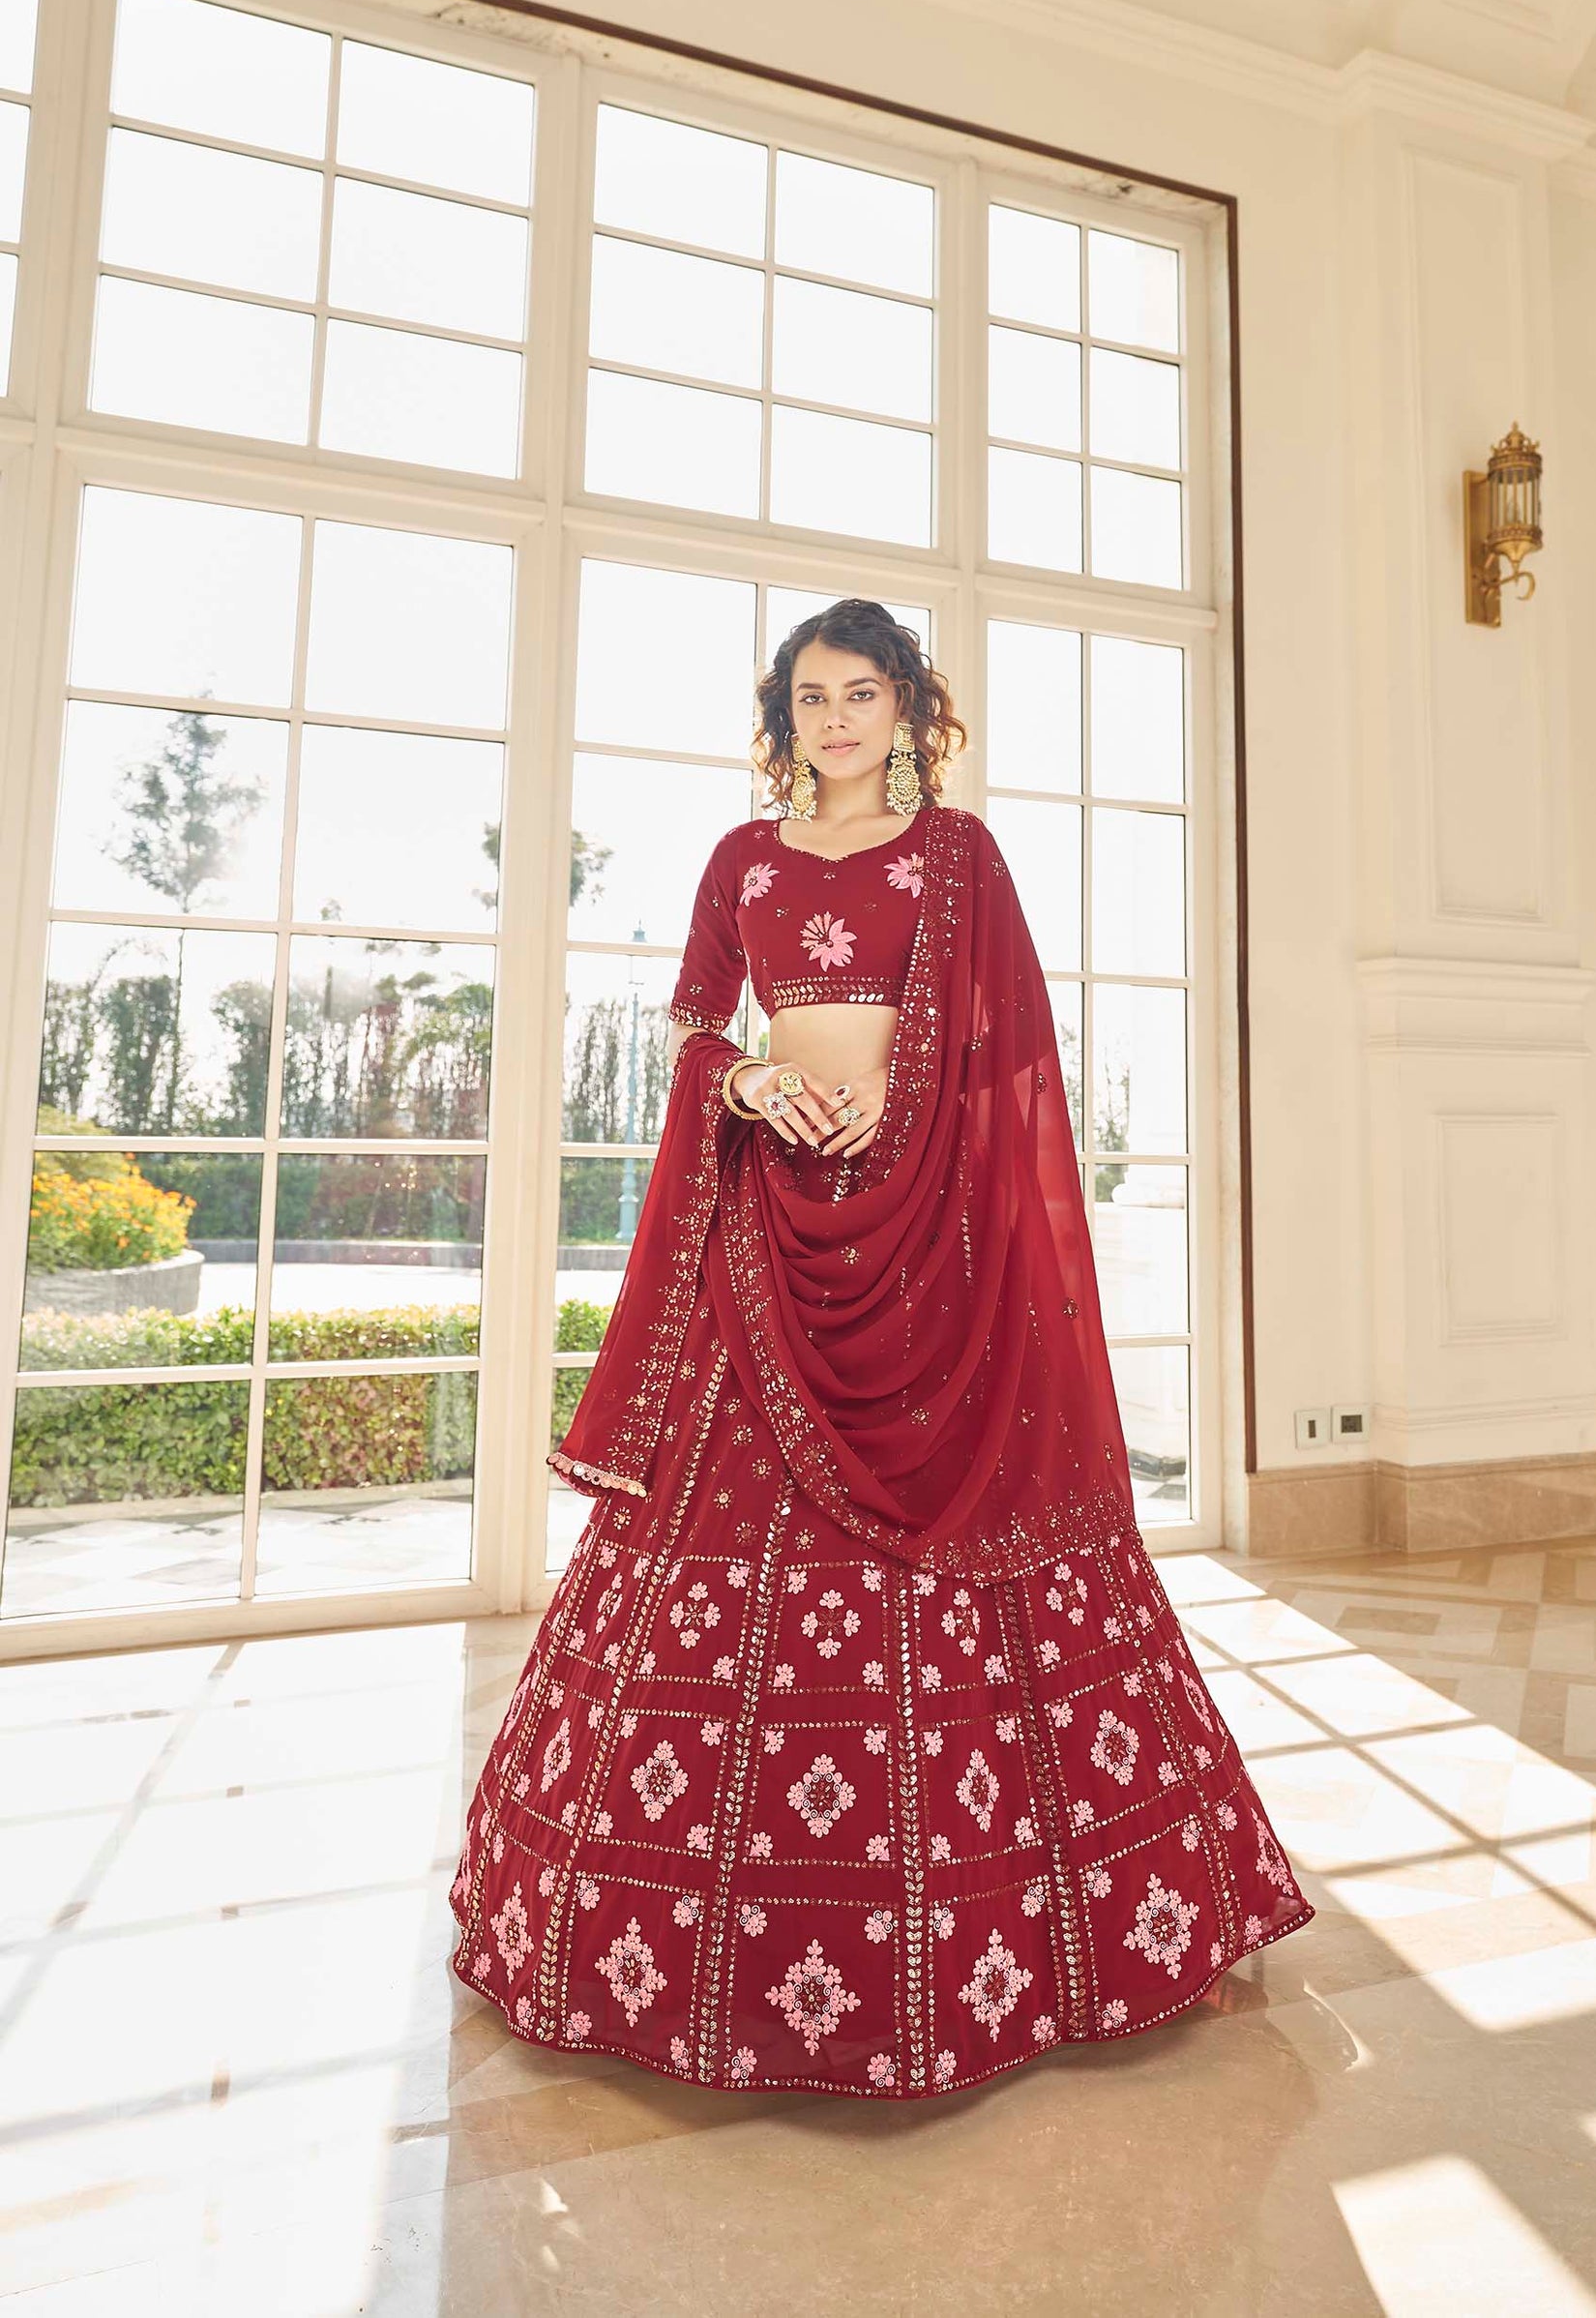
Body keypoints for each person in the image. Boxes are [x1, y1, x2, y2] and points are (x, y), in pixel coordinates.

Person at [450, 597, 1312, 2097]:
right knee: (704, 1534)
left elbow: (1012, 1053)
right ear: (781, 720)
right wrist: (751, 1087)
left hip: (925, 1241)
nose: (836, 721)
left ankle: (1065, 1931)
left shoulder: (960, 860)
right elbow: (694, 1031)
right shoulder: (744, 859)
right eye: (811, 698)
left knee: (971, 1516)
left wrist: (898, 1109)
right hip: (767, 1230)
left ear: (912, 709)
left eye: (864, 693)